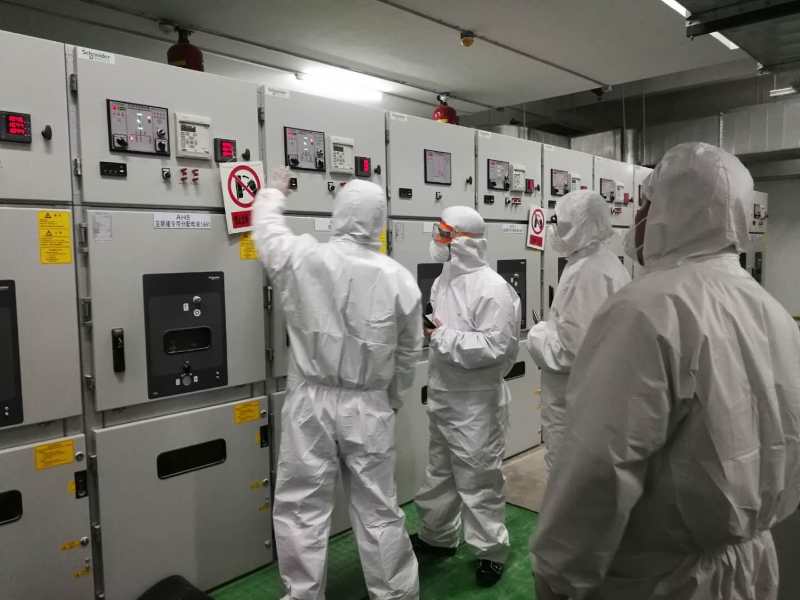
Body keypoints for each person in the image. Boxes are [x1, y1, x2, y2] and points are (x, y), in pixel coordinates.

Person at [532, 142, 800, 600]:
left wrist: (558, 573)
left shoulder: (647, 309)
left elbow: (598, 467)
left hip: (663, 578)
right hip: (749, 566)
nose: (636, 217)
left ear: (672, 208)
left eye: (645, 204)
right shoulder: (771, 310)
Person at [253, 169, 421, 600]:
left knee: (301, 508)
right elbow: (407, 355)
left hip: (310, 402)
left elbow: (267, 233)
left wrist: (273, 193)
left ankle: (303, 594)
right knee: (378, 509)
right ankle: (396, 594)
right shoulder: (399, 279)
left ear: (339, 213)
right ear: (379, 221)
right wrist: (391, 400)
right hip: (369, 405)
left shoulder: (304, 257)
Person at [412, 205, 521, 587]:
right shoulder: (445, 278)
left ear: (464, 242)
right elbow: (441, 322)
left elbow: (497, 348)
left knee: (479, 481)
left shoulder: (492, 288)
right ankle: (437, 536)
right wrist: (431, 327)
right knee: (439, 474)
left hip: (476, 404)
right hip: (444, 394)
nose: (437, 240)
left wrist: (440, 336)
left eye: (444, 234)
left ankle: (490, 551)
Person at [526, 189, 631, 471]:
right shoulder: (607, 262)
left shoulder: (584, 273)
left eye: (559, 223)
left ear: (578, 226)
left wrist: (536, 336)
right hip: (599, 395)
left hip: (574, 403)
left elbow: (572, 354)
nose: (554, 230)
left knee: (567, 474)